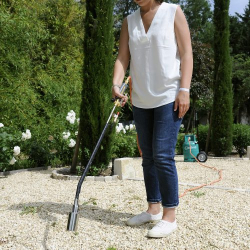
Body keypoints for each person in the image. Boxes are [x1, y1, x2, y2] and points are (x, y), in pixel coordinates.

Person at [112, 0, 192, 238]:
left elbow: (187, 52)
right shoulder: (129, 21)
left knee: (162, 156)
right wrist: (116, 83)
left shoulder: (173, 12)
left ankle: (170, 216)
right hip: (141, 99)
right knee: (148, 157)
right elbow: (122, 57)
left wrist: (184, 90)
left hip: (169, 95)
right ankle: (153, 208)